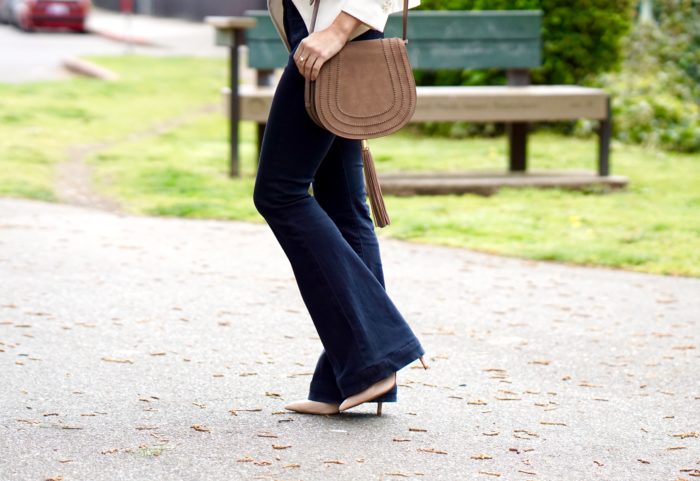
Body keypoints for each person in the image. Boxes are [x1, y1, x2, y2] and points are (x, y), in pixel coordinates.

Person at [253, 0, 427, 417]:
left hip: (337, 39)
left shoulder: (336, 34)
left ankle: (378, 354)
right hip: (322, 38)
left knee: (280, 193)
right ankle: (348, 377)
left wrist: (337, 30)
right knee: (343, 203)